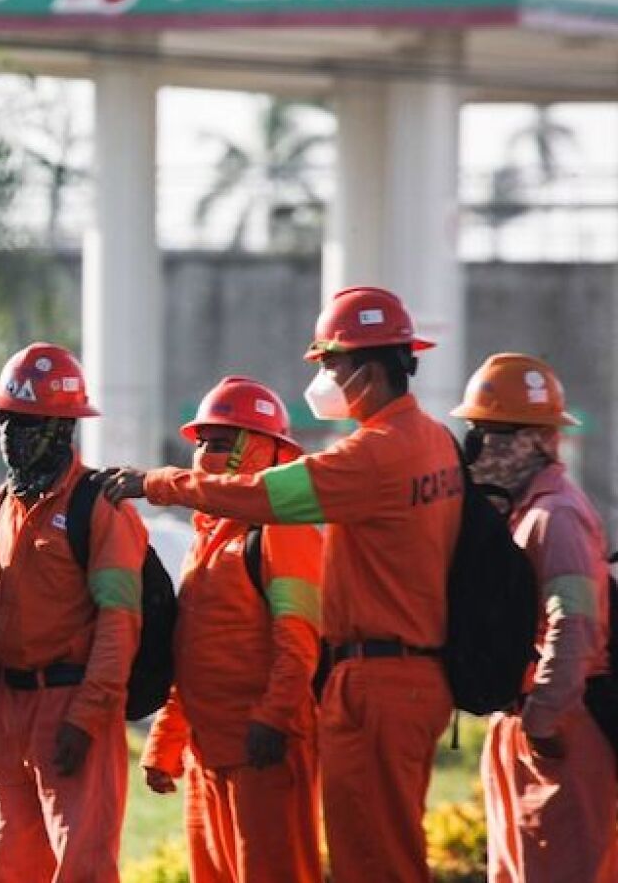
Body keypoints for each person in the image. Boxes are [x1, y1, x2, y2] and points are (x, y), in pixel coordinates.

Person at [104, 286, 461, 883]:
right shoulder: (435, 446)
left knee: (375, 860)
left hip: (377, 680)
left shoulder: (372, 456)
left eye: (331, 364)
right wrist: (171, 737)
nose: (324, 377)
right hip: (399, 676)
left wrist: (158, 483)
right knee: (377, 854)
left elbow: (271, 496)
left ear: (368, 371)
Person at [0, 343, 148, 883]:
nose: (9, 433)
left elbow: (119, 624)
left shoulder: (99, 506)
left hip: (72, 707)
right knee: (12, 869)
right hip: (10, 711)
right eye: (5, 419)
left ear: (62, 426)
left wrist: (85, 718)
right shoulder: (2, 504)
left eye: (25, 421)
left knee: (80, 869)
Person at [140, 377, 323, 883]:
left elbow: (299, 643)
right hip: (208, 756)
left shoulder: (282, 532)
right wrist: (167, 742)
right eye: (200, 443)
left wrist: (272, 720)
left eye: (221, 445)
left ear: (265, 451)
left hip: (265, 753)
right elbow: (194, 653)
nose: (204, 456)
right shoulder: (206, 541)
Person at [456, 354, 618, 881]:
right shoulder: (524, 512)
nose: (478, 447)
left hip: (561, 726)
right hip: (529, 724)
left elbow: (576, 627)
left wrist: (544, 716)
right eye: (476, 431)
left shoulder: (557, 516)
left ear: (536, 439)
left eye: (492, 432)